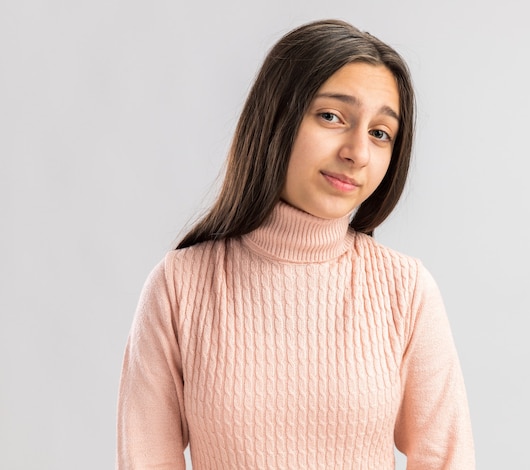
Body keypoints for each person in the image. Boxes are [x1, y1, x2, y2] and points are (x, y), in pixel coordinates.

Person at [117, 19, 475, 469]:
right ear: (276, 118)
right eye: (331, 116)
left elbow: (446, 458)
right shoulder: (178, 286)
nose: (357, 152)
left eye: (380, 133)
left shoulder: (406, 290)